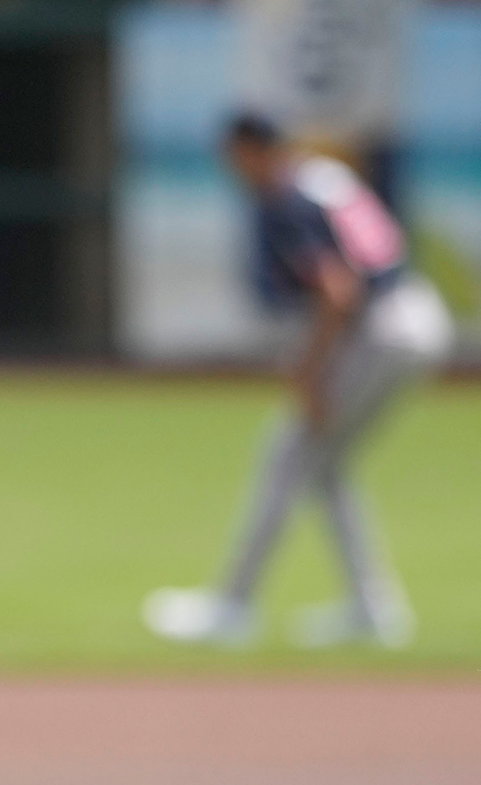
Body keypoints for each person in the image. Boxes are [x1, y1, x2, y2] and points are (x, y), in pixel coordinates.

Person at [144, 110, 453, 649]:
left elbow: (338, 291)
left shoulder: (288, 196)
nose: (231, 168)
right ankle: (372, 609)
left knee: (285, 454)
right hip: (413, 316)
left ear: (253, 150)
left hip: (379, 329)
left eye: (233, 155)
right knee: (324, 467)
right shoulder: (321, 178)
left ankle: (232, 607)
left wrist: (310, 371)